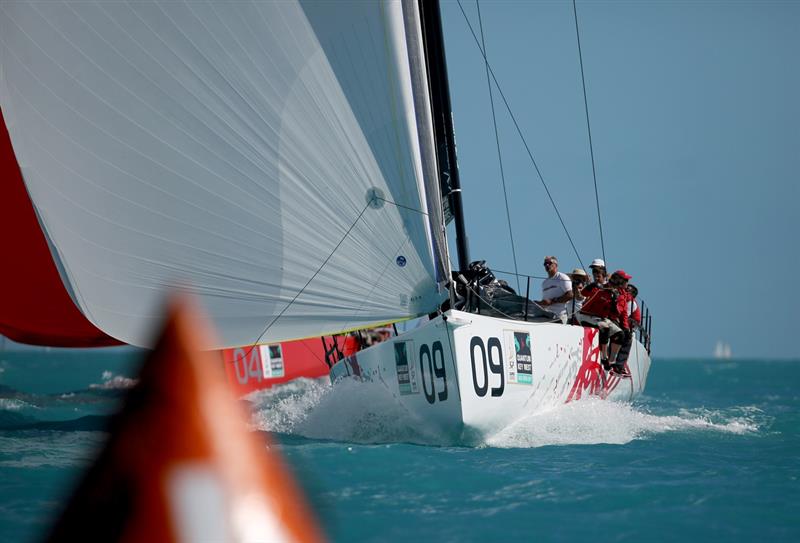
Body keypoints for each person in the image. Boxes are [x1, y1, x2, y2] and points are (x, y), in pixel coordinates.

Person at [536, 256, 572, 323]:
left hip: (560, 316)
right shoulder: (544, 283)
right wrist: (538, 303)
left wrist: (552, 301)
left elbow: (570, 295)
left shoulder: (562, 277)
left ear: (556, 265)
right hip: (547, 317)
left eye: (549, 263)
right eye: (545, 264)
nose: (547, 265)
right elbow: (546, 302)